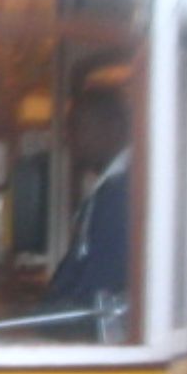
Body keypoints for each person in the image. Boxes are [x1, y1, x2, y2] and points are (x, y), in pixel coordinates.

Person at [42, 87, 131, 307]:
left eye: (77, 127)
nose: (68, 140)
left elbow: (98, 286)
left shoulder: (120, 196)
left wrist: (47, 317)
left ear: (113, 128)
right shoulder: (105, 190)